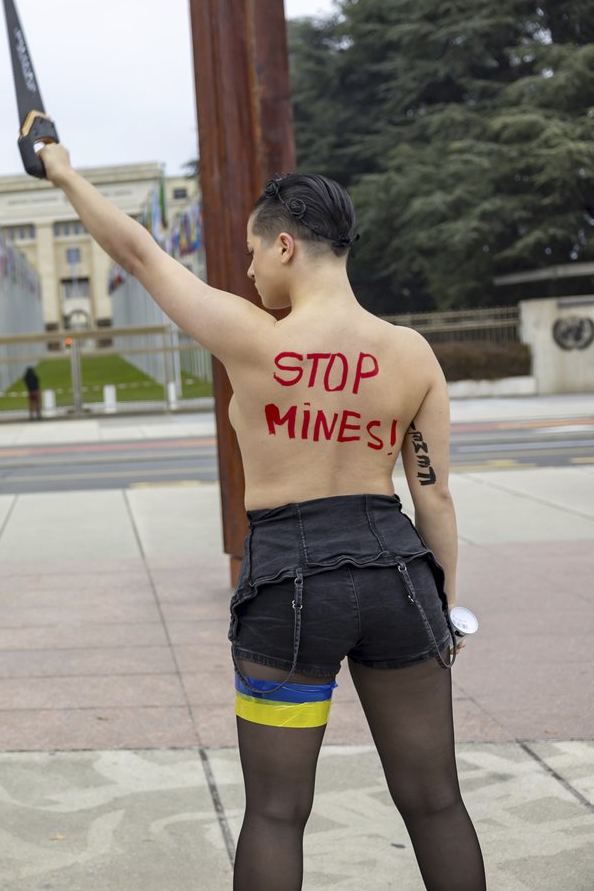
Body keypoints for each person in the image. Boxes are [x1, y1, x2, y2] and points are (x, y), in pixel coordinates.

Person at [38, 144, 485, 891]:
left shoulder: (255, 338)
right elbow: (434, 494)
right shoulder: (411, 353)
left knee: (276, 812)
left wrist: (62, 171)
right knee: (436, 800)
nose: (248, 271)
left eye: (252, 252)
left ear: (286, 243)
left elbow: (138, 254)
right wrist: (441, 604)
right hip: (395, 571)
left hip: (288, 579)